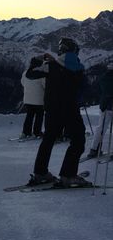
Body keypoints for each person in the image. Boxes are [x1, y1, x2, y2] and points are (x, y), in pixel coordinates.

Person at [29, 37, 90, 187]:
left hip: (52, 109)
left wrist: (38, 59)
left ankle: (40, 173)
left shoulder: (51, 66)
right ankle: (68, 175)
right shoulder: (79, 67)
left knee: (48, 139)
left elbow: (30, 74)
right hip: (70, 109)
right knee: (78, 140)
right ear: (75, 51)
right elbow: (83, 88)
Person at [88, 63, 113, 159]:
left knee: (101, 127)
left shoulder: (103, 78)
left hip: (104, 106)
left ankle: (94, 149)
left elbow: (98, 90)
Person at [20, 57, 46, 139]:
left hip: (28, 99)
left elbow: (23, 83)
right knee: (39, 116)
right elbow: (45, 86)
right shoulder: (41, 74)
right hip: (39, 100)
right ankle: (37, 132)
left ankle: (26, 132)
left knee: (29, 116)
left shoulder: (25, 73)